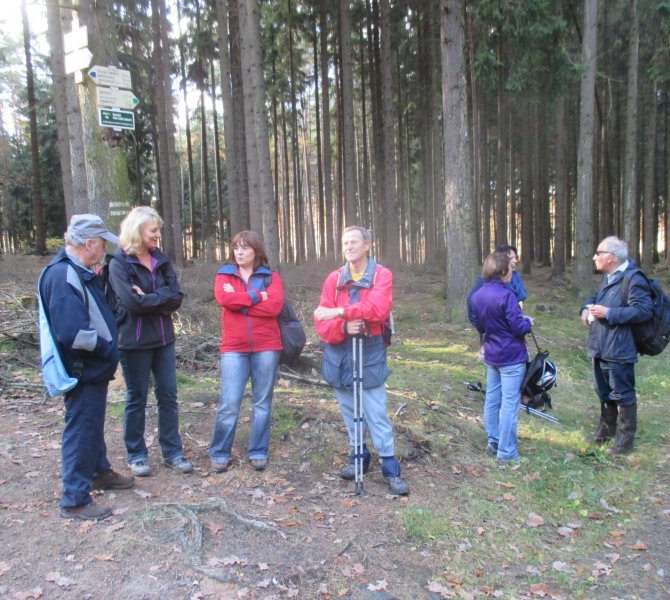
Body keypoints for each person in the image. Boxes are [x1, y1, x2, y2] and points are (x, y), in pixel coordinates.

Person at [38, 214, 134, 520]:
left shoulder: (81, 271)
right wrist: (107, 348)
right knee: (81, 428)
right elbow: (73, 333)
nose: (105, 248)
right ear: (89, 243)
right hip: (83, 369)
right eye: (102, 242)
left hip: (92, 368)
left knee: (91, 423)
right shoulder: (63, 276)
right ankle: (75, 499)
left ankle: (99, 472)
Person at [314, 226, 409, 495]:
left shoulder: (381, 275)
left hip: (370, 351)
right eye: (345, 242)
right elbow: (321, 320)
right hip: (339, 352)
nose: (349, 246)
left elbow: (378, 309)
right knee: (348, 409)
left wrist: (340, 311)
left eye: (354, 241)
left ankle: (390, 467)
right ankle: (359, 456)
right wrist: (344, 327)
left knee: (376, 411)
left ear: (368, 245)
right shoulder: (334, 279)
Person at [107, 206, 192, 477]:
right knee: (137, 398)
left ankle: (172, 452)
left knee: (168, 396)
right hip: (133, 341)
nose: (158, 235)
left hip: (164, 339)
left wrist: (148, 298)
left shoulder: (161, 259)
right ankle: (136, 454)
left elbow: (176, 296)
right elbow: (131, 302)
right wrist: (158, 297)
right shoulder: (118, 263)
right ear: (138, 230)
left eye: (158, 230)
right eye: (153, 230)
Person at [209, 231, 284, 472]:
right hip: (234, 348)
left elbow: (273, 308)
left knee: (262, 402)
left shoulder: (271, 277)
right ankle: (220, 452)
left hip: (267, 346)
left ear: (256, 251)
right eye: (236, 248)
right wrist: (255, 297)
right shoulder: (224, 275)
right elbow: (224, 300)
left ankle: (258, 450)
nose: (239, 252)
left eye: (245, 248)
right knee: (229, 402)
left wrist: (240, 305)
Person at [580, 236, 653, 455]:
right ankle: (606, 431)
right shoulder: (609, 277)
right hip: (600, 346)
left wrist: (609, 313)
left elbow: (644, 310)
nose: (594, 257)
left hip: (619, 348)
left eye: (598, 253)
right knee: (603, 391)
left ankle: (624, 442)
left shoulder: (633, 278)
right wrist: (585, 309)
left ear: (610, 257)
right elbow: (593, 298)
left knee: (623, 394)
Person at [470, 251, 533, 465]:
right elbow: (518, 327)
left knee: (492, 399)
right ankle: (506, 452)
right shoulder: (507, 296)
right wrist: (529, 323)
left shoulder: (477, 296)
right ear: (503, 270)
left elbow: (480, 325)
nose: (512, 272)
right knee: (509, 403)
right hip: (511, 355)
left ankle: (494, 440)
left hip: (492, 353)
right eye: (511, 268)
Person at [467, 244, 527, 326]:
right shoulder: (486, 279)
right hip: (492, 328)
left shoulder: (516, 277)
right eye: (511, 258)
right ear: (501, 260)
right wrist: (481, 325)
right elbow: (471, 301)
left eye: (515, 257)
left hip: (513, 326)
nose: (515, 261)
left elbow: (520, 300)